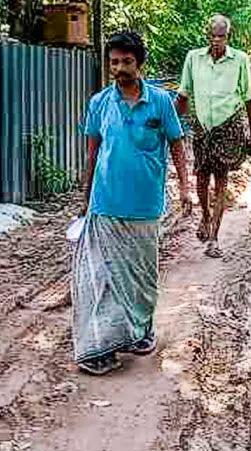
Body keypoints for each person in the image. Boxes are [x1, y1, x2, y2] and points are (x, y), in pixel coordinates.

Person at [73, 31, 192, 375]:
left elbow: (177, 147)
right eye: (114, 61)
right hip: (105, 205)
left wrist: (184, 189)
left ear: (140, 63)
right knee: (103, 280)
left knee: (142, 279)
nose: (120, 68)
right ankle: (101, 347)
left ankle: (140, 332)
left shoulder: (160, 102)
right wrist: (85, 200)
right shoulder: (98, 103)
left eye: (127, 61)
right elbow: (93, 155)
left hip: (145, 207)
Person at [177, 14, 251, 258]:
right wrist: (169, 125)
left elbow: (248, 96)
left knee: (221, 180)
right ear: (207, 36)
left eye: (220, 36)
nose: (216, 41)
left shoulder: (240, 60)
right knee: (201, 179)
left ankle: (214, 237)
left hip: (228, 126)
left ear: (228, 37)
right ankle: (205, 217)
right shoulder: (194, 58)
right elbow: (183, 94)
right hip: (202, 126)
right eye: (212, 36)